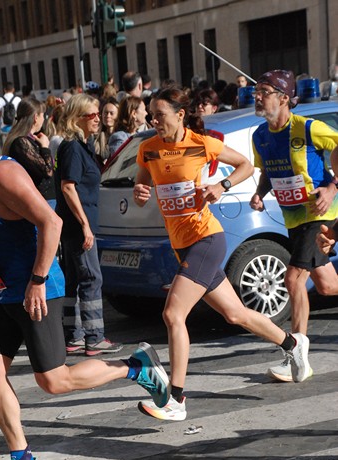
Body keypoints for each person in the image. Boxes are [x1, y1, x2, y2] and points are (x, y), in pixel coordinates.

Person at [0, 108, 170, 460]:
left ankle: (135, 367)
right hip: (7, 291)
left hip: (36, 291)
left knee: (54, 381)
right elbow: (8, 229)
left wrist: (38, 281)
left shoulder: (3, 172)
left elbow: (52, 222)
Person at [133, 85, 310, 421]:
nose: (154, 121)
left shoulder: (201, 144)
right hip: (181, 244)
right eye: (152, 115)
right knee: (235, 314)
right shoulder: (149, 149)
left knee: (173, 315)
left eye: (160, 115)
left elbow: (244, 165)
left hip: (207, 239)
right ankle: (292, 344)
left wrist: (221, 186)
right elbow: (143, 186)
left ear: (180, 115)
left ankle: (177, 399)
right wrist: (141, 192)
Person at [250, 69, 338, 382]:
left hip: (321, 213)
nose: (258, 96)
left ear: (285, 98)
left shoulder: (308, 128)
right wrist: (260, 194)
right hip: (293, 218)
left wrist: (332, 187)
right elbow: (267, 172)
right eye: (257, 90)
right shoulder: (259, 135)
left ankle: (297, 356)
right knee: (327, 286)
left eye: (265, 91)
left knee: (293, 279)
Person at [55, 94, 123, 356]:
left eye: (98, 114)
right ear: (77, 118)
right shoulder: (72, 147)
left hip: (75, 225)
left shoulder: (81, 145)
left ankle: (72, 336)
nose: (97, 119)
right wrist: (85, 225)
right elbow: (68, 187)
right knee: (91, 278)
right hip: (78, 226)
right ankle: (94, 338)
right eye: (91, 115)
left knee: (73, 280)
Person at [2, 97, 56, 209]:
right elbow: (47, 171)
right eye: (43, 115)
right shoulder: (21, 142)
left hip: (44, 199)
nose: (44, 119)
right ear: (36, 117)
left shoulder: (29, 139)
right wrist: (45, 147)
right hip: (39, 202)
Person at [94, 96, 119, 163]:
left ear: (118, 115)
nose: (108, 116)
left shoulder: (121, 138)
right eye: (105, 112)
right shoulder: (95, 137)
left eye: (111, 113)